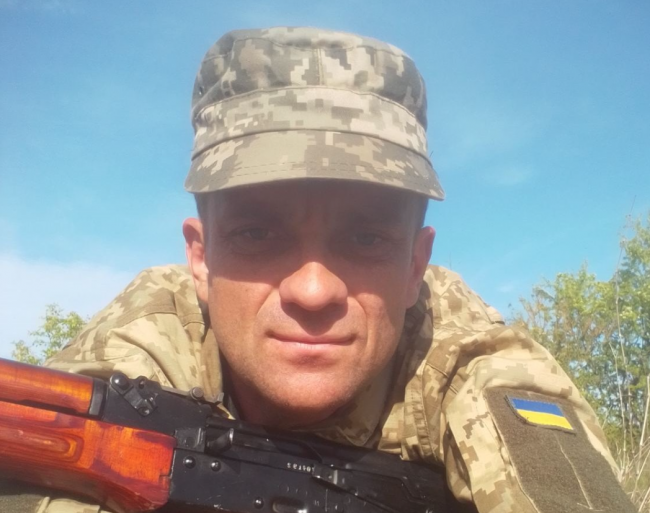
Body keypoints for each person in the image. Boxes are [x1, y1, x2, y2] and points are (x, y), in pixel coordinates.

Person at [2, 27, 636, 513]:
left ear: (416, 266)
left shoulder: (466, 355)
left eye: (366, 238)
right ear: (200, 258)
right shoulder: (147, 339)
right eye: (256, 234)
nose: (312, 290)